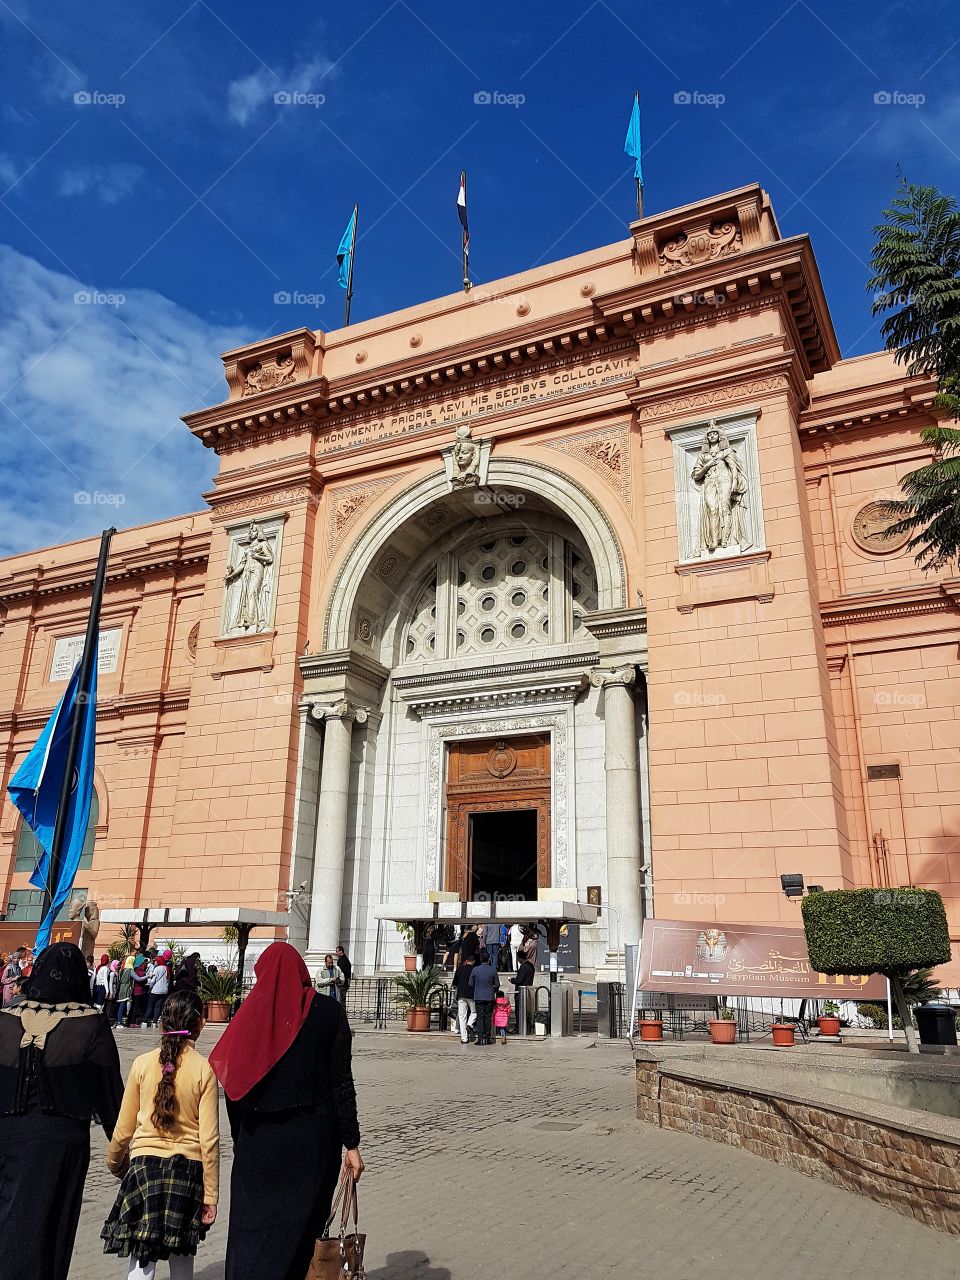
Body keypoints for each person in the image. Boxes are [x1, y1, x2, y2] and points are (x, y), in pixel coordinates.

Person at [209, 942, 363, 1280]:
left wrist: (241, 1139)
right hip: (313, 1146)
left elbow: (232, 1087)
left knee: (253, 1236)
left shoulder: (250, 1014)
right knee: (304, 1234)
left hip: (258, 1148)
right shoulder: (328, 1012)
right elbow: (341, 1084)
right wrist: (351, 1144)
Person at [0, 942, 124, 1280]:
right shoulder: (90, 1023)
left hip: (6, 1136)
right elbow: (110, 1097)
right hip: (57, 1145)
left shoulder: (5, 1017)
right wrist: (126, 1155)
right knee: (46, 1230)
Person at [102, 992, 219, 1279]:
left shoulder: (142, 1063)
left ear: (161, 1024)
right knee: (182, 1253)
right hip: (187, 1170)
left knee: (143, 1256)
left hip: (144, 1168)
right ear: (200, 1024)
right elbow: (210, 1140)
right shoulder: (204, 1068)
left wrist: (115, 1163)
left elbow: (123, 1128)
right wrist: (212, 1194)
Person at [469, 948, 500, 1047]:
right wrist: (492, 990)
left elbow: (470, 983)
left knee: (480, 1017)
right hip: (489, 996)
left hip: (478, 996)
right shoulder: (493, 970)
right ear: (489, 959)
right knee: (488, 1017)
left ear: (481, 959)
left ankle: (480, 1038)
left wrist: (477, 988)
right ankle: (487, 1037)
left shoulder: (475, 970)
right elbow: (497, 984)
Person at [451, 955, 477, 1045]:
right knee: (474, 1012)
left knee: (462, 1016)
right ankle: (469, 1025)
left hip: (461, 994)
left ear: (466, 961)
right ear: (473, 961)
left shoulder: (460, 969)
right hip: (471, 995)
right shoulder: (474, 970)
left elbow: (455, 982)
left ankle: (464, 1038)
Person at [510, 954, 536, 1033]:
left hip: (521, 992)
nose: (518, 960)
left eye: (518, 958)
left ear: (521, 958)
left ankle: (519, 1028)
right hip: (528, 990)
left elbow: (519, 980)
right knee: (527, 1011)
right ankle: (527, 1028)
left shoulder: (523, 967)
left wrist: (511, 980)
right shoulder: (531, 966)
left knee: (519, 1011)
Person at [144, 957, 170, 1028]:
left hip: (155, 990)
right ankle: (154, 1022)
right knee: (158, 1006)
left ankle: (145, 1021)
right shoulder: (167, 968)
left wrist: (150, 987)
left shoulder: (157, 969)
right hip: (163, 990)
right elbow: (168, 980)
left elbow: (153, 980)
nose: (155, 962)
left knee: (150, 1006)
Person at [116, 956, 136, 1029]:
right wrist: (148, 976)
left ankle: (119, 1021)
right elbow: (137, 978)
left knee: (121, 1005)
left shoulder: (123, 969)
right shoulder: (130, 970)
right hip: (125, 988)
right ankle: (119, 1022)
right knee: (122, 1005)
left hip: (121, 988)